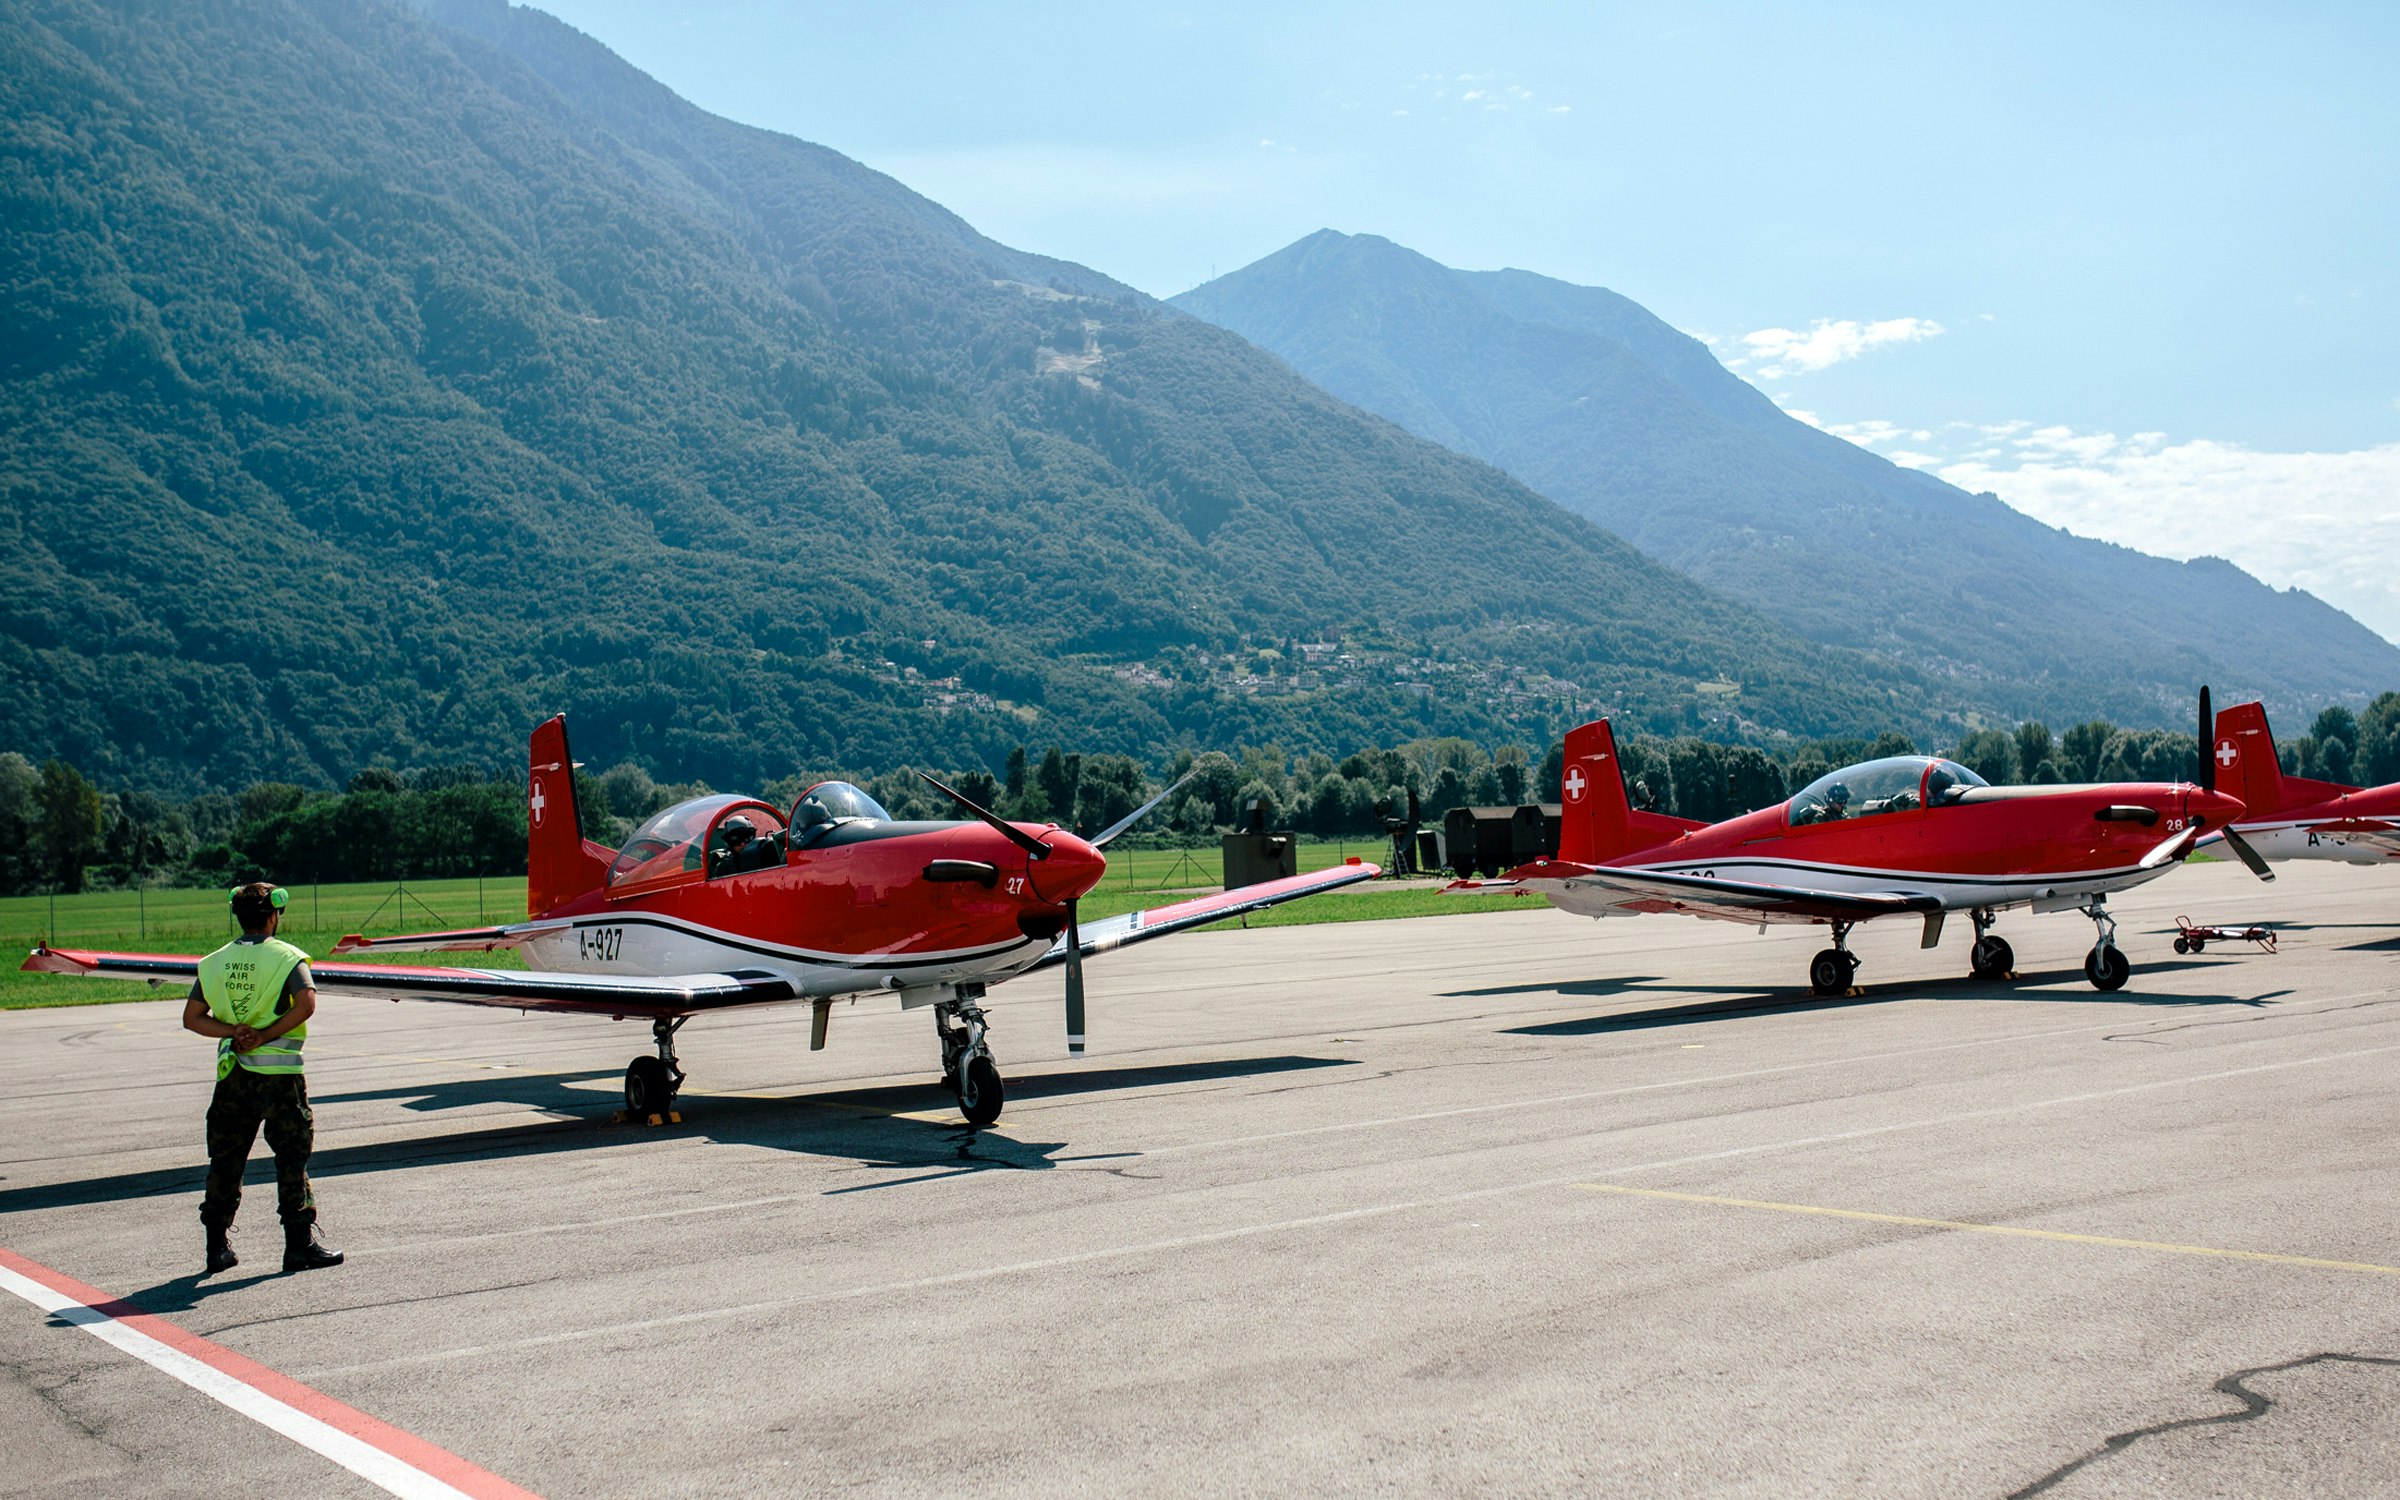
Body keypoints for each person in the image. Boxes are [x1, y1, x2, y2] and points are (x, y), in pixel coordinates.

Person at [182, 882, 342, 1275]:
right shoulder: (287, 958)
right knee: (291, 1158)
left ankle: (216, 1247)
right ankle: (298, 1245)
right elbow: (306, 1003)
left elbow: (192, 1018)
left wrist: (234, 1033)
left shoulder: (214, 962)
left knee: (226, 1160)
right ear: (274, 915)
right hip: (279, 1079)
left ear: (239, 916)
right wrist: (266, 1035)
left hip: (233, 1077)